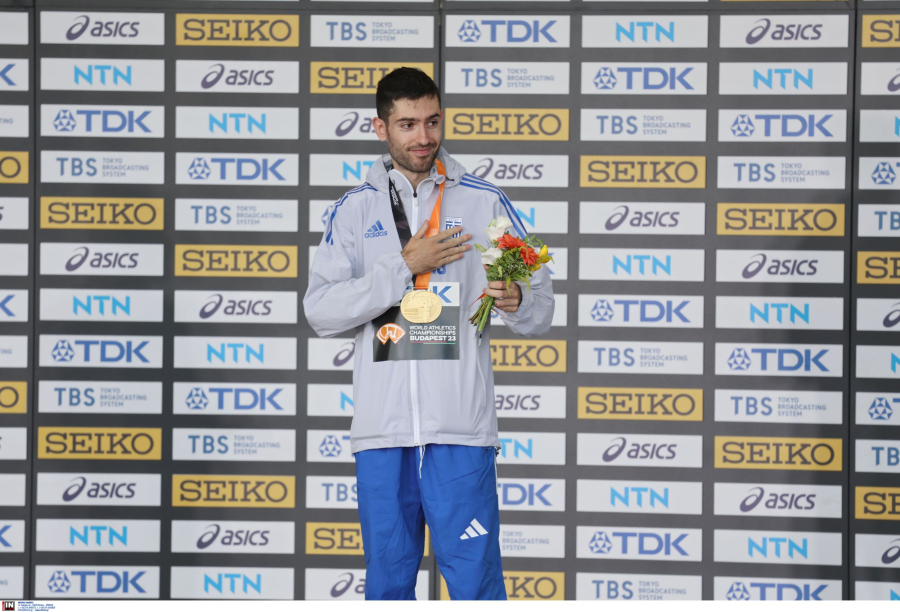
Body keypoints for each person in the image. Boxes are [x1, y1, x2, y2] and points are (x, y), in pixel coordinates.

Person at [303, 67, 555, 600]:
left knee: (476, 587)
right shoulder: (353, 210)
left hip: (459, 431)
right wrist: (403, 265)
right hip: (383, 435)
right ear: (380, 128)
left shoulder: (484, 201)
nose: (424, 137)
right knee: (387, 589)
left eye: (433, 121)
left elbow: (540, 310)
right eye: (408, 124)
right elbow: (321, 311)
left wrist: (518, 302)